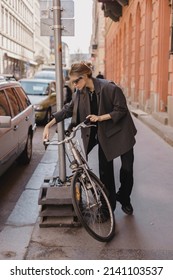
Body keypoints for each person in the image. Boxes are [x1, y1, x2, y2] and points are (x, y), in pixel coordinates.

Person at [43, 61, 137, 215]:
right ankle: (107, 208)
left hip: (121, 132)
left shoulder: (110, 88)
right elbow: (68, 109)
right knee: (105, 173)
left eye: (76, 81)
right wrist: (48, 125)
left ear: (85, 76)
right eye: (72, 82)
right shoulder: (80, 93)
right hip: (104, 136)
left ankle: (124, 198)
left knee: (127, 169)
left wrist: (99, 118)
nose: (74, 85)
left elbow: (121, 110)